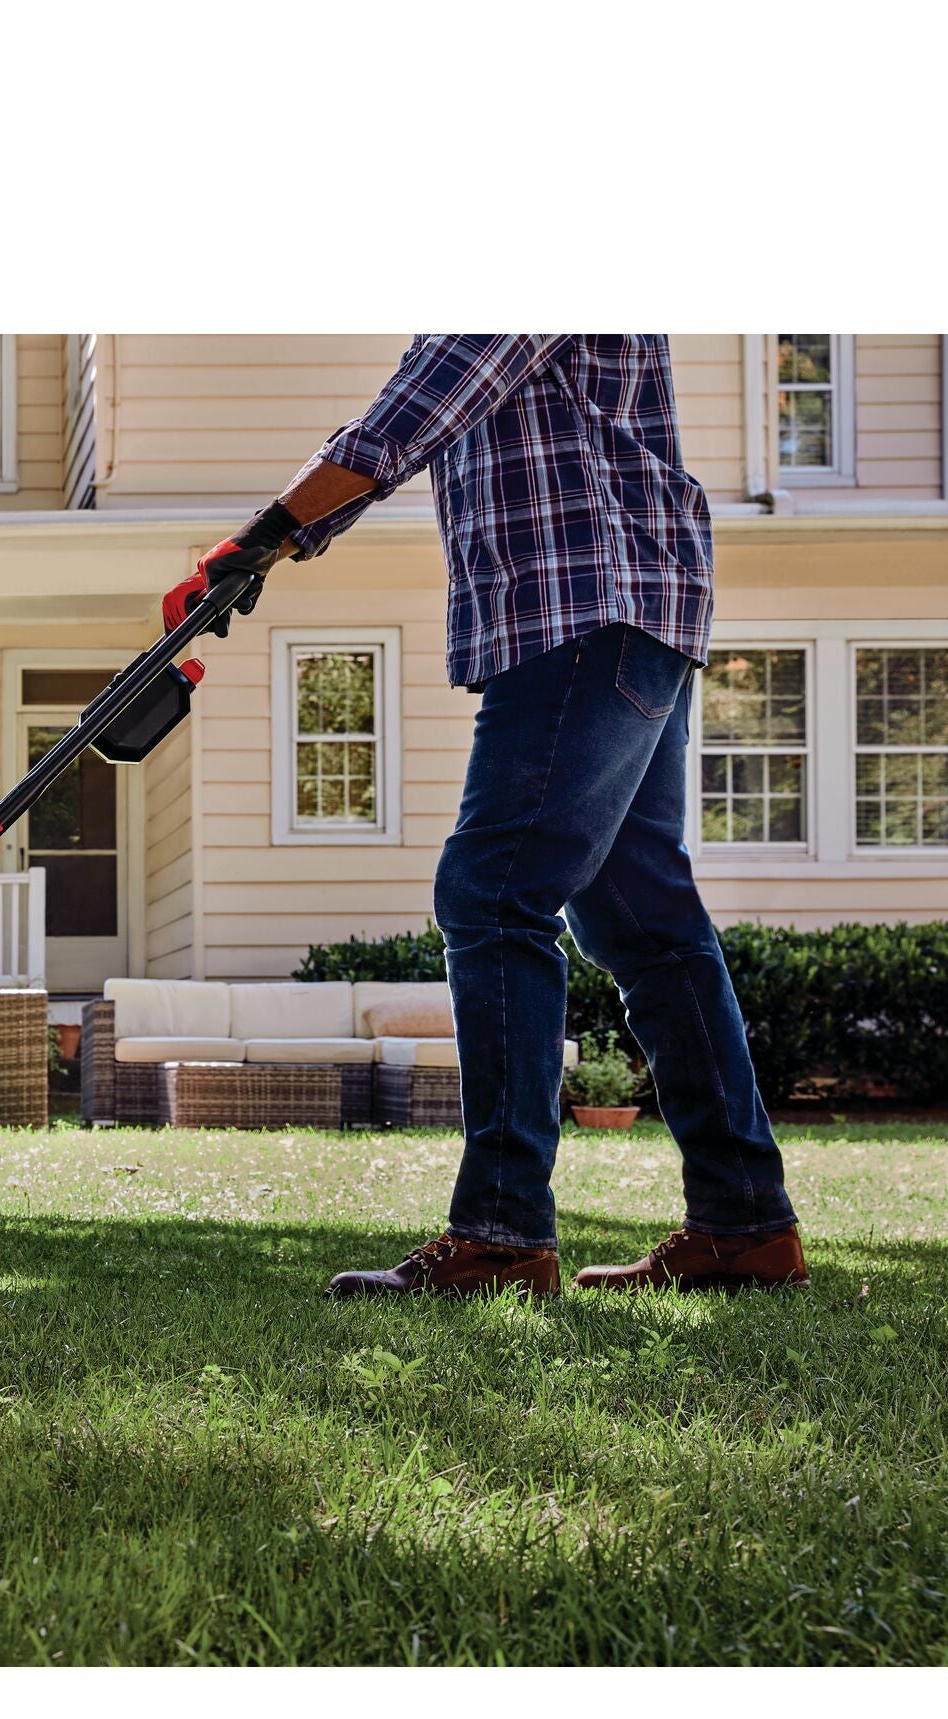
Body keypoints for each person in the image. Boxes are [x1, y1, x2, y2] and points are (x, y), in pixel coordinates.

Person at [164, 336, 805, 1297]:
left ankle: (502, 1238)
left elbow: (418, 411)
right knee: (645, 920)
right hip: (627, 613)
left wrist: (261, 536)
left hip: (584, 605)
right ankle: (744, 1225)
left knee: (495, 891)